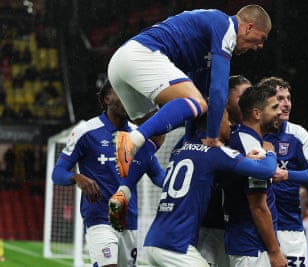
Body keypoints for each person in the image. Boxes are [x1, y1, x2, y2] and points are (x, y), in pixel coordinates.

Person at [108, 5, 272, 177]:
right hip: (142, 55)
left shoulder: (206, 48)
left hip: (119, 64)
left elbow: (194, 103)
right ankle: (132, 139)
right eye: (261, 38)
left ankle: (122, 191)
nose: (259, 46)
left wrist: (188, 139)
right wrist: (212, 136)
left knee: (155, 135)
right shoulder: (225, 26)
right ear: (249, 27)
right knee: (199, 103)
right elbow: (218, 90)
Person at [141, 109, 277, 267]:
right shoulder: (215, 152)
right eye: (227, 119)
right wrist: (270, 152)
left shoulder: (180, 150)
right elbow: (266, 170)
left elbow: (208, 179)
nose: (231, 124)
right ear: (216, 123)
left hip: (152, 241)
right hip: (177, 246)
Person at [52, 80, 165, 267]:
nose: (128, 100)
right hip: (99, 218)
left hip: (129, 220)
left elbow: (158, 176)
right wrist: (77, 177)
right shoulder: (86, 132)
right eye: (122, 94)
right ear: (107, 99)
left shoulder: (139, 136)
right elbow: (57, 173)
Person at [259, 76, 308, 266]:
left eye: (288, 98)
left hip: (289, 227)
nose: (286, 104)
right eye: (280, 99)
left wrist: (286, 175)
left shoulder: (298, 134)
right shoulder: (250, 134)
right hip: (253, 225)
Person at [223, 85, 287, 267]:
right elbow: (258, 206)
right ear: (256, 114)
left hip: (245, 244)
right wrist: (274, 252)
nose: (279, 112)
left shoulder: (240, 138)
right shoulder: (251, 147)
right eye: (274, 107)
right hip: (253, 248)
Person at [197, 74, 252, 267]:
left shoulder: (252, 136)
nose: (249, 101)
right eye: (243, 96)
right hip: (209, 225)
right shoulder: (203, 138)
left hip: (240, 231)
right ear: (225, 100)